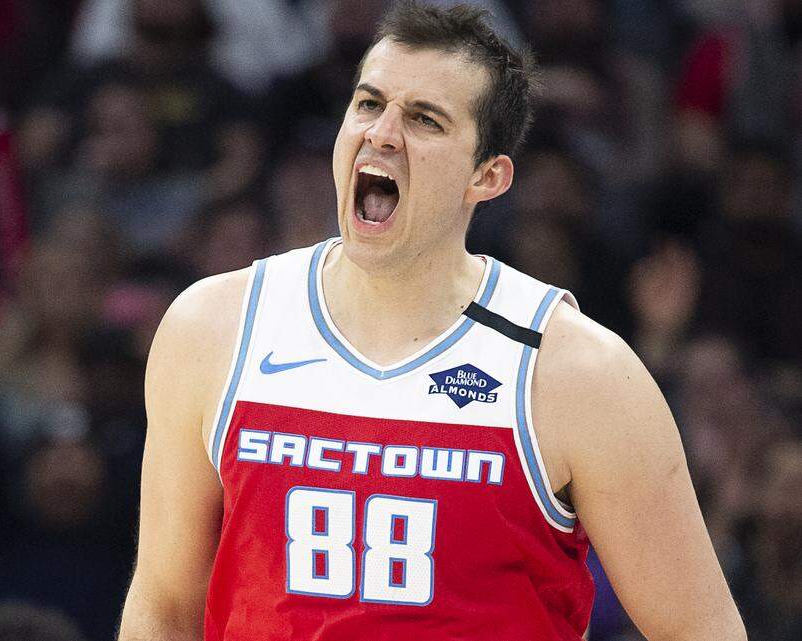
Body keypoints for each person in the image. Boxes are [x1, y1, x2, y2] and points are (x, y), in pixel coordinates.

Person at [118, 3, 745, 640]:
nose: (382, 134)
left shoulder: (578, 372)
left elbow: (703, 630)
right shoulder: (213, 328)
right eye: (368, 104)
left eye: (424, 119)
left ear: (488, 175)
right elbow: (164, 609)